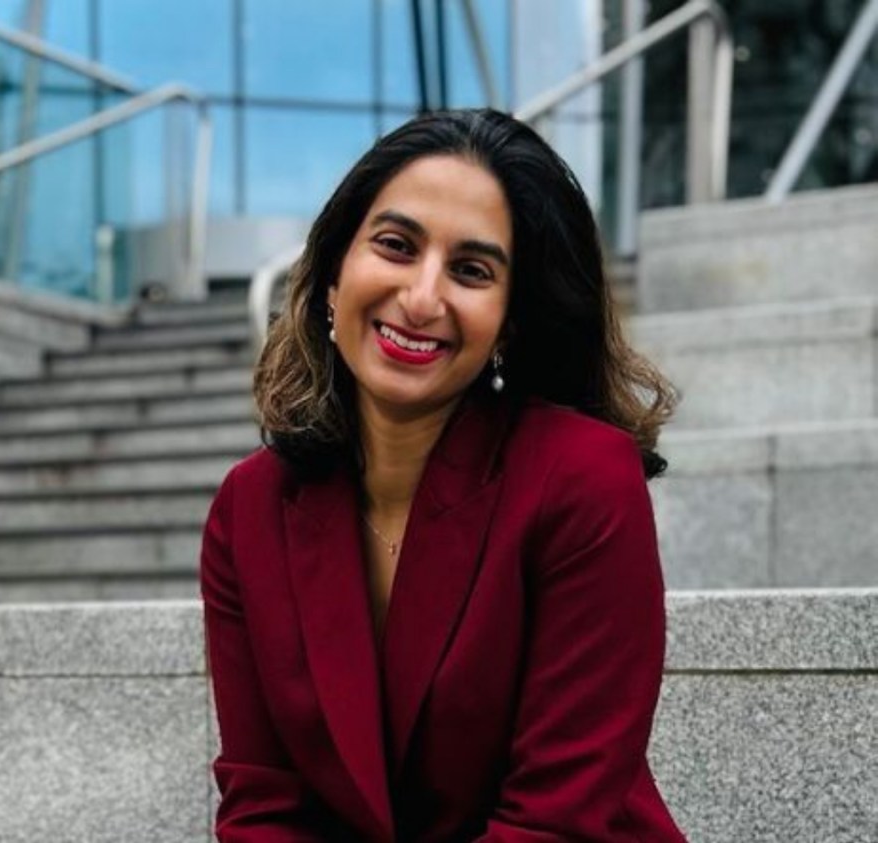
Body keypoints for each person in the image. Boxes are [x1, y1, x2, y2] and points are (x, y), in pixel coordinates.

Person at [201, 108, 686, 842]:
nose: (423, 298)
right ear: (333, 273)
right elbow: (263, 805)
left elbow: (554, 821)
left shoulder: (583, 479)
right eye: (396, 246)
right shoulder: (251, 506)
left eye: (471, 270)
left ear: (508, 320)